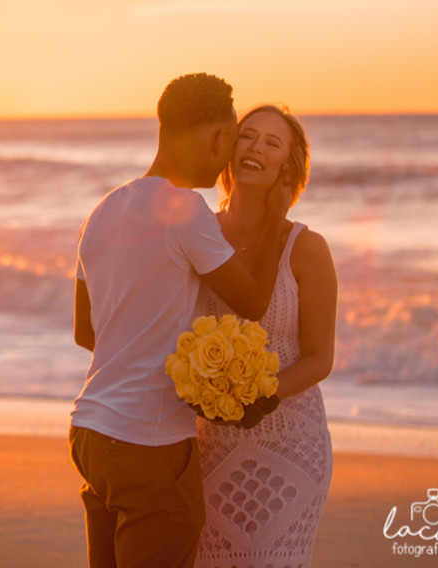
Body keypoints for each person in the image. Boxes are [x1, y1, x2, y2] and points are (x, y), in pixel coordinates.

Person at [70, 74, 290, 568]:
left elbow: (87, 333)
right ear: (217, 138)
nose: (230, 157)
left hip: (90, 431)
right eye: (232, 141)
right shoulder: (186, 210)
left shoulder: (102, 211)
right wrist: (276, 212)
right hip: (149, 445)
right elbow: (253, 301)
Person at [194, 105, 337, 568]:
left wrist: (263, 397)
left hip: (289, 448)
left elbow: (319, 359)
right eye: (247, 136)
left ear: (287, 168)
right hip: (207, 449)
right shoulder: (197, 235)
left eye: (272, 143)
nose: (255, 147)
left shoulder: (306, 248)